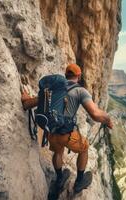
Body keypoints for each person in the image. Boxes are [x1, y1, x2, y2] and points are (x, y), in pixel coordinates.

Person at [21, 63, 113, 196]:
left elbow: (28, 104)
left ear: (65, 75)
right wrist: (108, 119)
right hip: (67, 134)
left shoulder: (53, 90)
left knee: (57, 153)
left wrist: (25, 98)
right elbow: (95, 114)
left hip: (51, 133)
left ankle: (59, 179)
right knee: (84, 148)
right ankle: (79, 181)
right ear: (79, 76)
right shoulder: (80, 91)